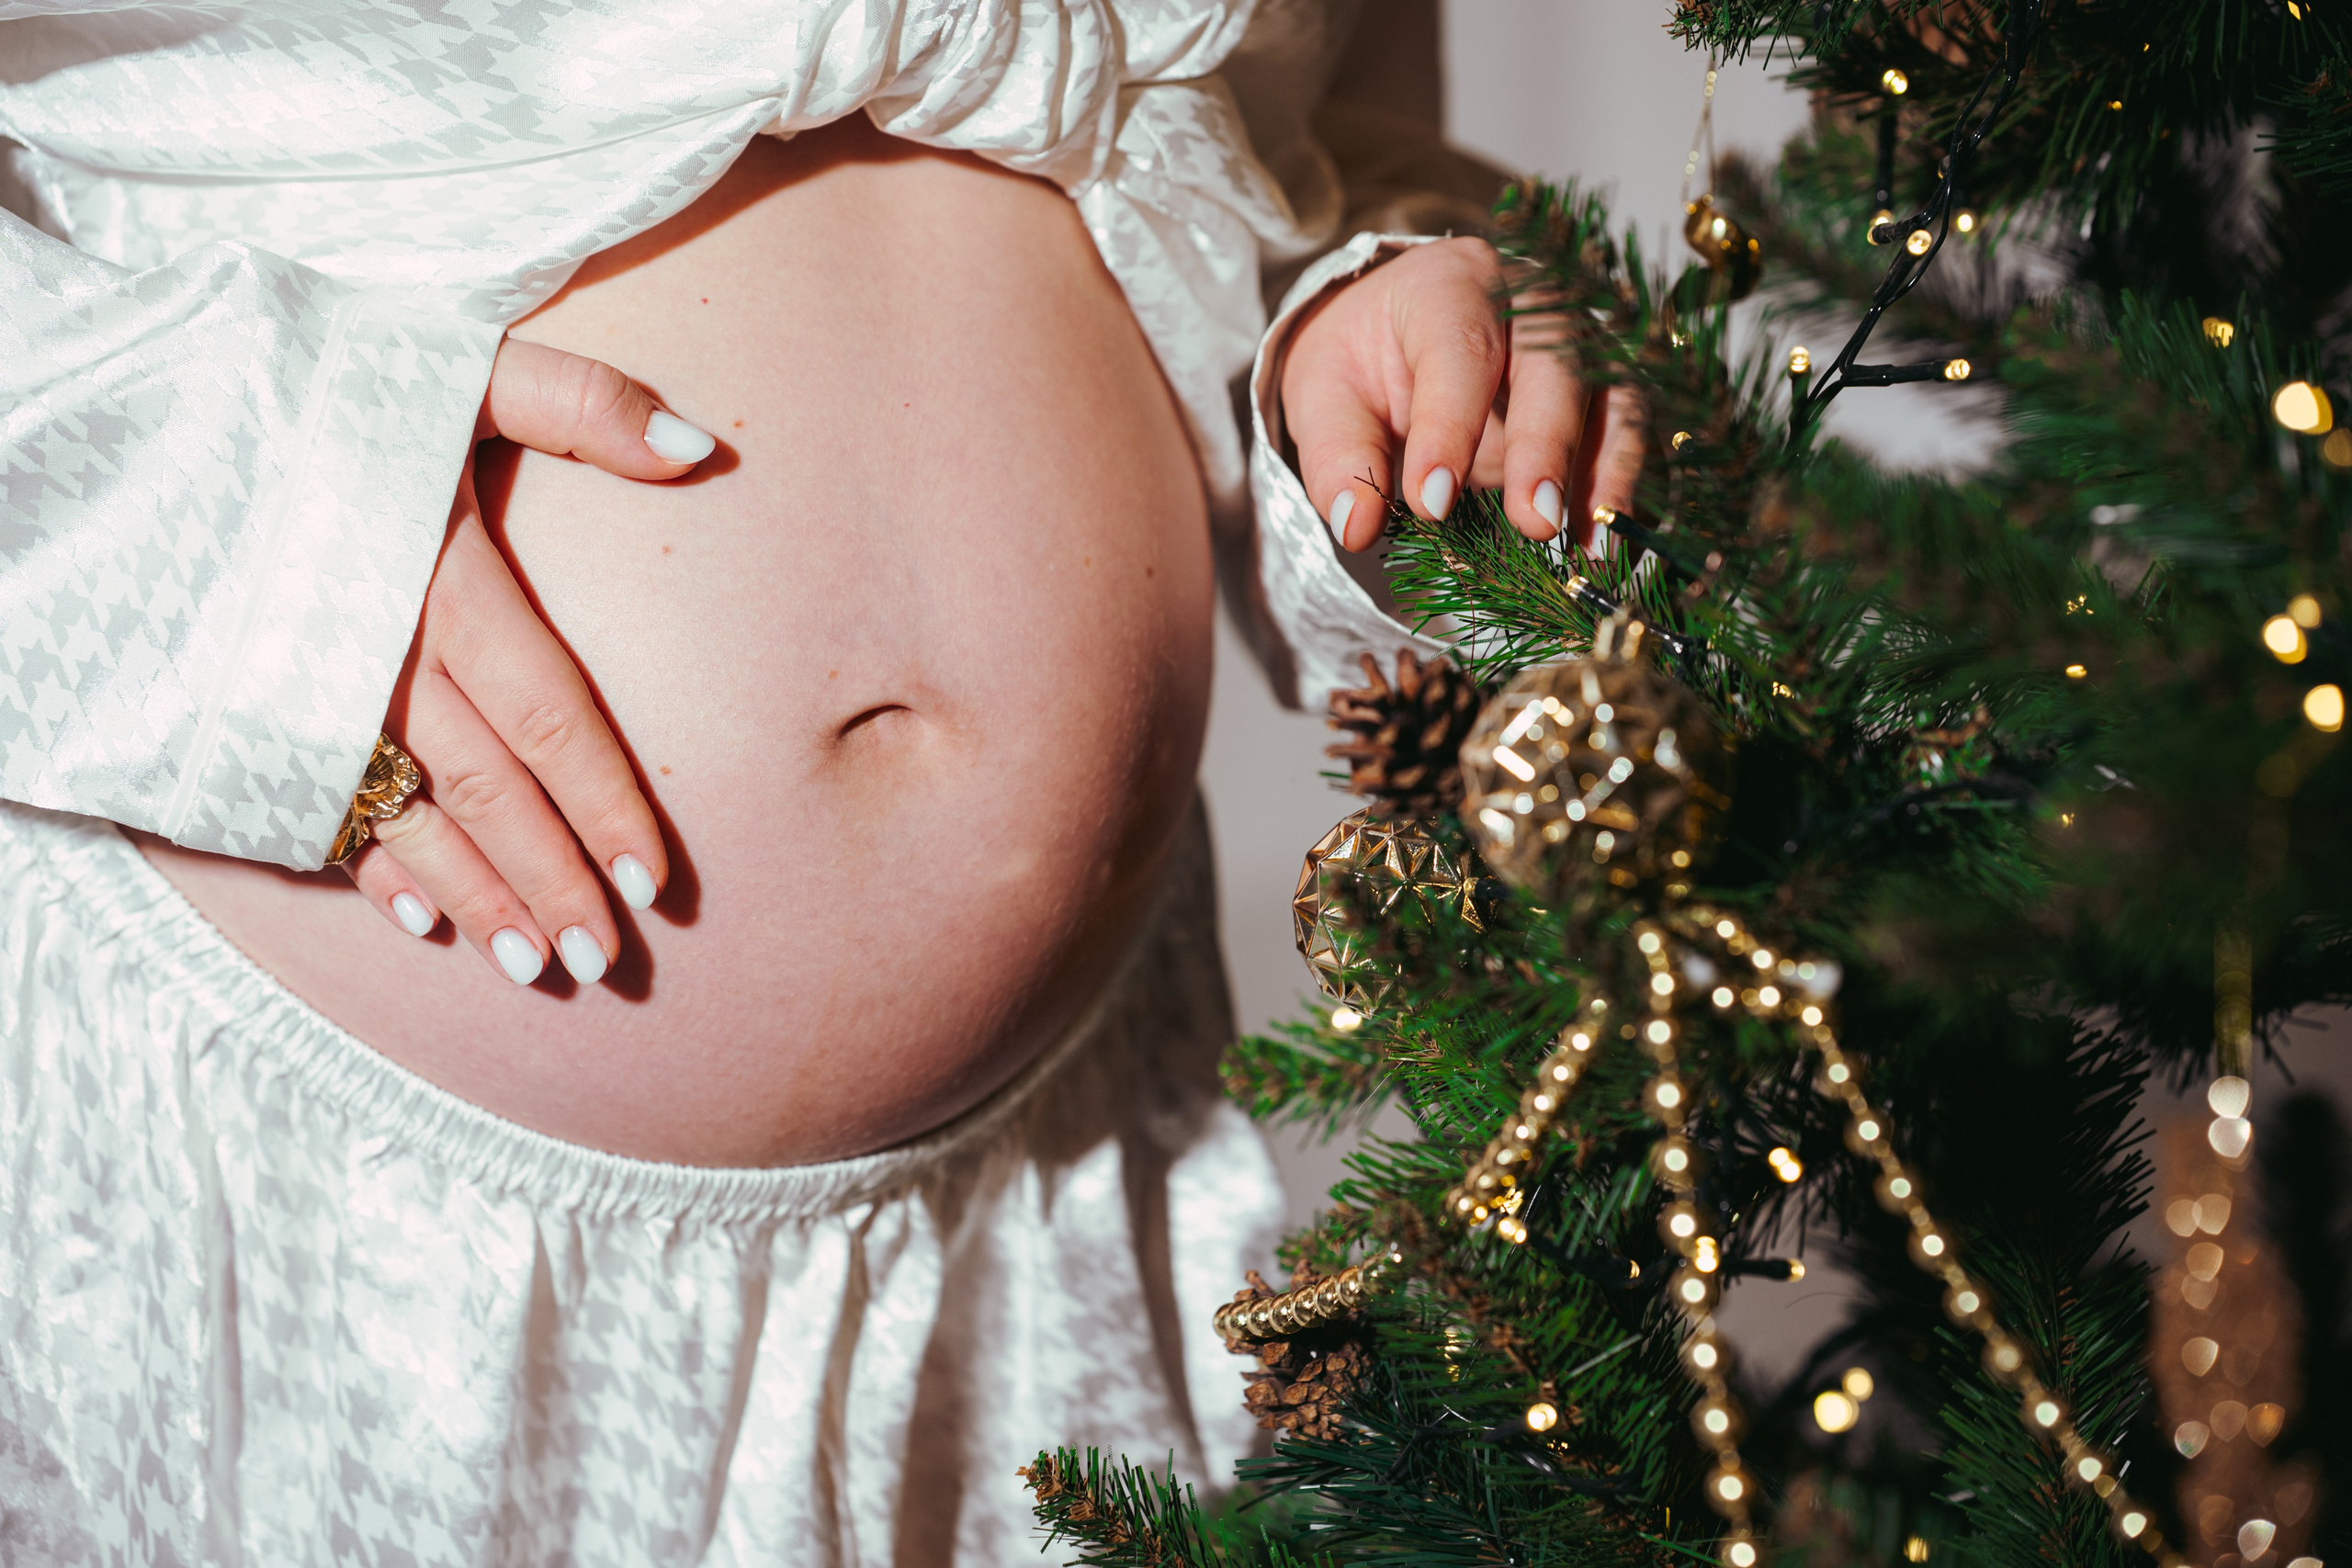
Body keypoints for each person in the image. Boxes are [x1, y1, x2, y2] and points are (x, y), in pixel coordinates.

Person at [0, 2, 1637, 1559]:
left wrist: (1365, 333)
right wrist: (251, 508)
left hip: (1033, 1212)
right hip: (313, 1175)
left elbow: (1297, 141)